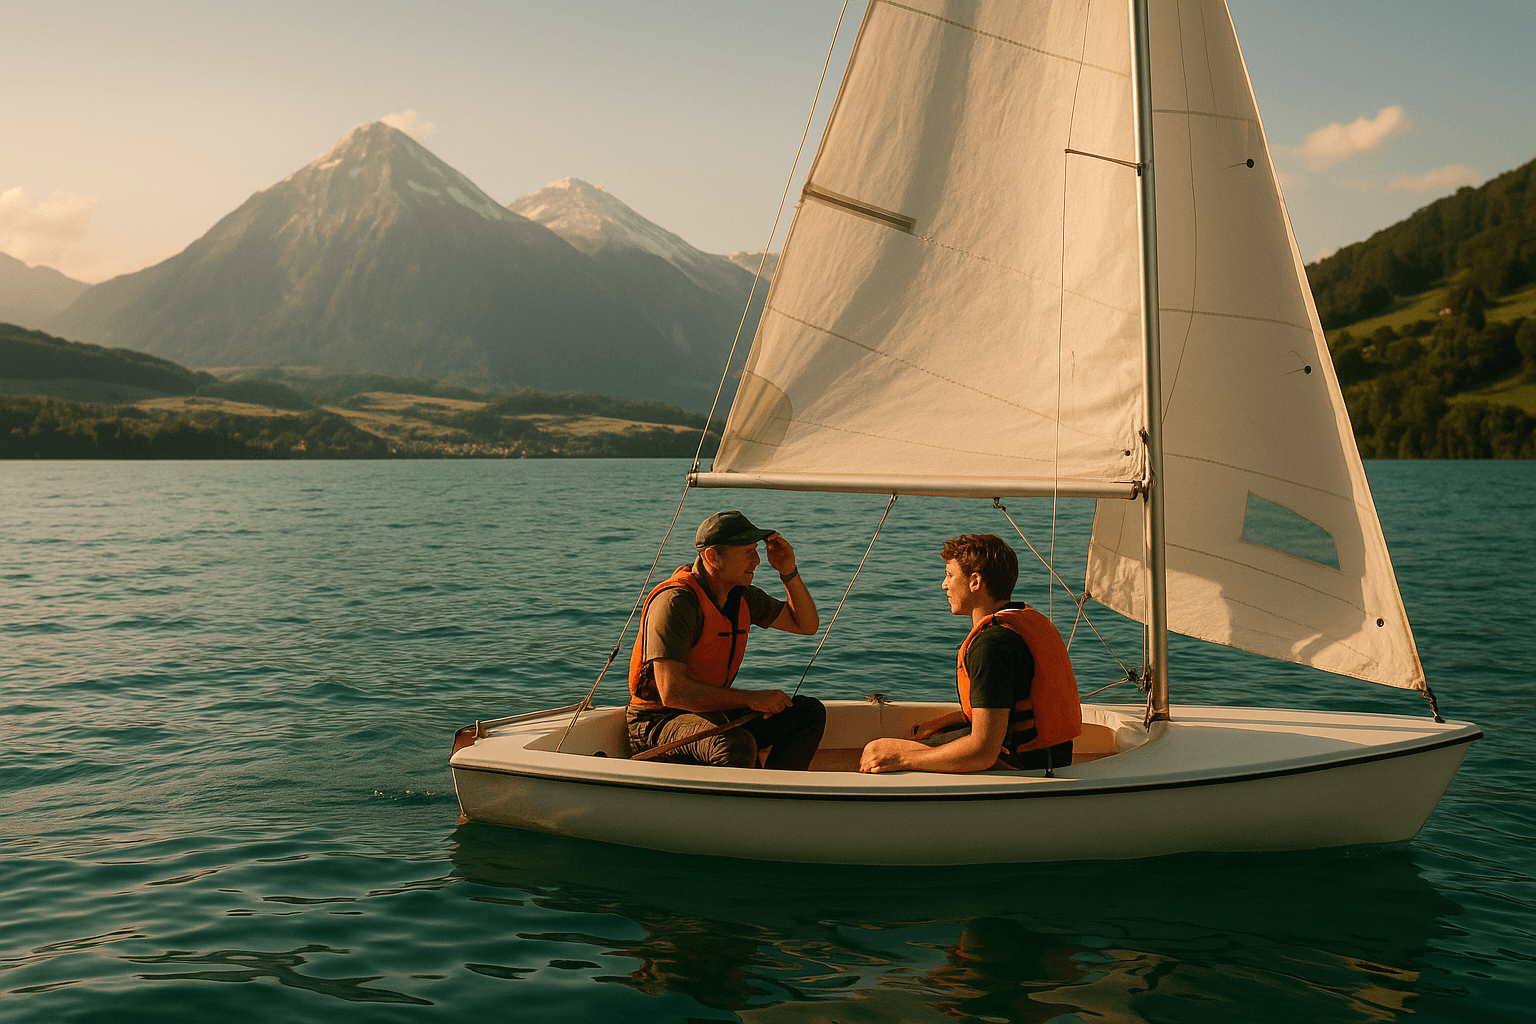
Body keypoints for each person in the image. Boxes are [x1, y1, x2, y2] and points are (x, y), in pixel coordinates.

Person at [860, 533, 1081, 774]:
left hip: (1022, 767)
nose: (944, 585)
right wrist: (940, 723)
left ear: (975, 581)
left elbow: (982, 752)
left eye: (949, 575)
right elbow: (1006, 710)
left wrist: (900, 760)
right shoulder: (1023, 622)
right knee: (906, 743)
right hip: (1047, 758)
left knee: (877, 750)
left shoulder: (992, 645)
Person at [627, 510, 825, 769]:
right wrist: (751, 698)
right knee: (734, 744)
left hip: (709, 712)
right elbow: (672, 692)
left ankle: (777, 797)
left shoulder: (742, 597)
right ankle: (740, 807)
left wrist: (788, 571)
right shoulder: (676, 603)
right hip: (658, 724)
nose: (757, 560)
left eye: (756, 550)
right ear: (712, 556)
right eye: (747, 552)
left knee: (807, 713)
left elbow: (807, 625)